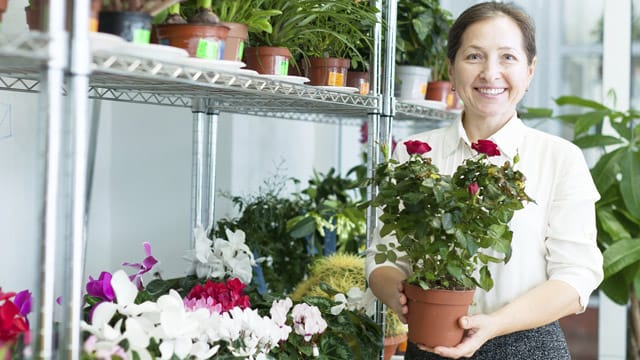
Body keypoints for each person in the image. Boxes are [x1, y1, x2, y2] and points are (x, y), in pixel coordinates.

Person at [365, 2, 604, 359]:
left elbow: (576, 277)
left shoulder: (559, 158)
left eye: (508, 57)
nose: (490, 73)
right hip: (432, 344)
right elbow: (382, 257)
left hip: (527, 347)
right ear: (451, 67)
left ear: (530, 69)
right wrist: (402, 296)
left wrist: (495, 324)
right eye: (474, 56)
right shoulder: (416, 156)